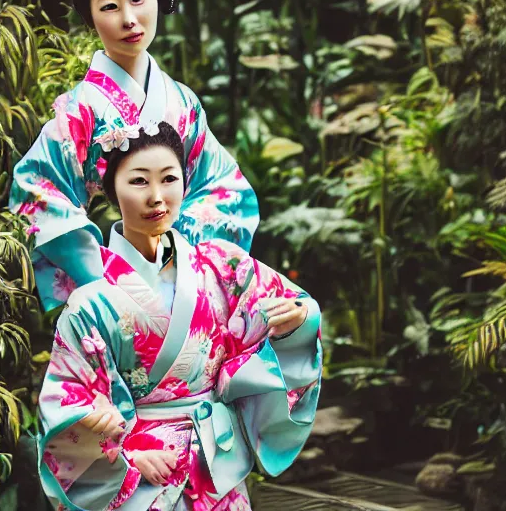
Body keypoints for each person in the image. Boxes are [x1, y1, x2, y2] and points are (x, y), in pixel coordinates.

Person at [38, 122, 321, 511]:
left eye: (169, 179)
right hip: (144, 475)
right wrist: (123, 452)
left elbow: (289, 310)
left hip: (216, 465)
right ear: (111, 191)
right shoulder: (90, 301)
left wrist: (297, 322)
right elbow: (67, 400)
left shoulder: (221, 266)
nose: (157, 197)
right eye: (139, 181)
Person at [10, 0, 259, 311]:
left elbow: (223, 188)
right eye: (109, 7)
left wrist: (180, 263)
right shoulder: (80, 110)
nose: (129, 19)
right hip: (111, 289)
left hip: (183, 282)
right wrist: (103, 279)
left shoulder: (183, 103)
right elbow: (38, 192)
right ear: (90, 17)